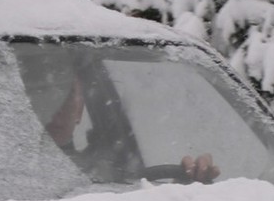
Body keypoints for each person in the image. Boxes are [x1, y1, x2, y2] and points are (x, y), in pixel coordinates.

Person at [33, 51, 219, 184]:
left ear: (80, 107)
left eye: (66, 93)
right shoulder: (11, 182)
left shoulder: (108, 173)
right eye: (43, 93)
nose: (56, 107)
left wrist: (184, 190)